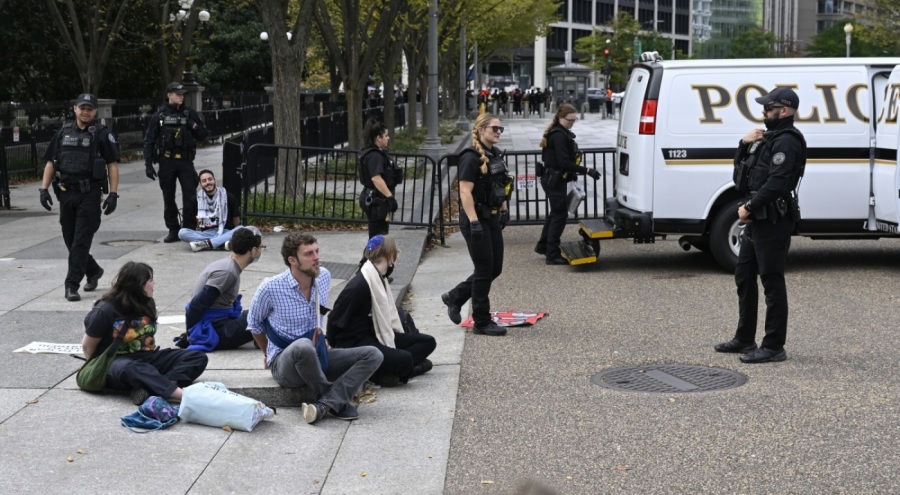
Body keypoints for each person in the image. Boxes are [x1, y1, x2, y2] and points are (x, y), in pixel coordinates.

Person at [247, 232, 383, 424]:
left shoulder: (323, 277)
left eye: (317, 251)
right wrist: (267, 353)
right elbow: (254, 324)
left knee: (373, 354)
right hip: (286, 364)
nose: (317, 257)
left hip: (319, 355)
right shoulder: (270, 288)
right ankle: (328, 396)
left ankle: (325, 405)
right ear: (292, 260)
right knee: (303, 346)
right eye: (309, 254)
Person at [715, 87, 806, 364]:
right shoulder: (768, 139)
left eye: (769, 108)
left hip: (773, 219)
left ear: (784, 111)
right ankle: (745, 338)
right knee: (744, 275)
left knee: (772, 281)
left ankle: (774, 346)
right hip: (757, 218)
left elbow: (777, 183)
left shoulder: (788, 141)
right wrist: (743, 144)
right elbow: (740, 175)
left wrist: (750, 208)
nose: (763, 112)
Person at [82, 262, 208, 405]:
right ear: (139, 284)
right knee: (134, 368)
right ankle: (178, 394)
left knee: (197, 357)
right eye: (150, 280)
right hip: (116, 363)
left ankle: (151, 388)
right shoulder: (105, 310)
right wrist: (97, 370)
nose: (154, 283)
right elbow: (87, 347)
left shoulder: (147, 303)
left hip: (147, 358)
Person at [39, 93, 120, 301]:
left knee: (81, 241)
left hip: (90, 195)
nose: (86, 112)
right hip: (66, 193)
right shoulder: (63, 132)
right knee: (70, 240)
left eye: (90, 109)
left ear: (95, 111)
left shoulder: (101, 134)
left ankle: (71, 285)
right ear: (75, 108)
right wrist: (43, 189)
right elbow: (51, 162)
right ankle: (93, 270)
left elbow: (112, 164)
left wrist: (113, 194)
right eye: (82, 108)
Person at [328, 235, 436, 386]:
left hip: (376, 334)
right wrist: (333, 345)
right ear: (390, 256)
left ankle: (389, 372)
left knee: (428, 342)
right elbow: (335, 318)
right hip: (358, 342)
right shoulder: (359, 286)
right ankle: (386, 373)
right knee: (406, 359)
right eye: (396, 253)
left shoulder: (379, 278)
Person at [440, 113, 512, 337]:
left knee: (495, 268)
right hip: (475, 219)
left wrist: (503, 211)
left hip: (490, 217)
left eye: (500, 129)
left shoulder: (495, 154)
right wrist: (473, 222)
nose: (498, 132)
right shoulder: (471, 157)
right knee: (483, 270)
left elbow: (500, 186)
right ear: (481, 130)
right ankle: (481, 321)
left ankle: (456, 296)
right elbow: (464, 191)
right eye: (494, 128)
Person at [534, 104, 601, 265]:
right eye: (569, 120)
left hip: (553, 178)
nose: (572, 123)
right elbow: (564, 162)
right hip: (554, 179)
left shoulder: (559, 132)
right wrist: (587, 170)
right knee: (559, 216)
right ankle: (552, 254)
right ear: (560, 118)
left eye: (574, 120)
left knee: (555, 214)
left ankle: (544, 246)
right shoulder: (558, 135)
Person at [178, 226, 263, 352]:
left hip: (218, 322)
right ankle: (262, 339)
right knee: (263, 313)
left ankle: (258, 336)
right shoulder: (227, 272)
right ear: (254, 250)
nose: (261, 252)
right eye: (261, 248)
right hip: (216, 330)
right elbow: (196, 305)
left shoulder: (228, 265)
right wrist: (193, 335)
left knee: (258, 310)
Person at [143, 82, 209, 243]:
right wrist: (148, 164)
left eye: (182, 94)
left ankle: (188, 228)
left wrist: (192, 125)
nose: (181, 96)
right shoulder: (159, 115)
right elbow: (149, 140)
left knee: (190, 195)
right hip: (167, 161)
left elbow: (203, 135)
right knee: (168, 197)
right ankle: (173, 229)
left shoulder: (189, 113)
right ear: (169, 95)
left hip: (185, 161)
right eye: (177, 93)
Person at [177, 169, 242, 251]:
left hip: (225, 231)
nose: (208, 182)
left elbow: (236, 219)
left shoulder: (228, 197)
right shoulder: (195, 200)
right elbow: (197, 222)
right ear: (200, 184)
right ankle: (220, 244)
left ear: (215, 181)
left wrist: (237, 233)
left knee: (241, 229)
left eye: (210, 179)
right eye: (204, 181)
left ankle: (205, 244)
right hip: (206, 233)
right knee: (182, 233)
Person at [358, 118, 401, 239]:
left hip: (377, 199)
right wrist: (390, 197)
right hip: (376, 201)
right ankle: (368, 259)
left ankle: (371, 258)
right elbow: (376, 178)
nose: (388, 138)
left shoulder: (374, 153)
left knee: (379, 239)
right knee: (377, 239)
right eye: (386, 135)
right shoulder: (374, 156)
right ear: (378, 138)